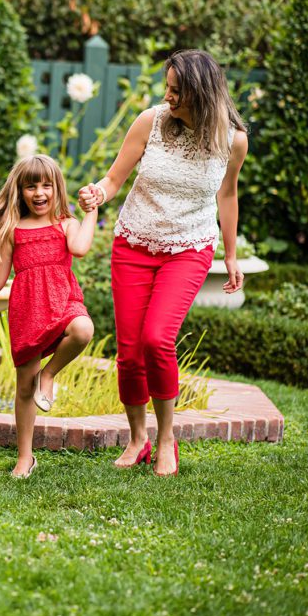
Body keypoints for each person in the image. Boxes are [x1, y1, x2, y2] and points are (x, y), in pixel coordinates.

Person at [78, 49, 248, 476]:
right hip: (134, 244)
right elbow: (114, 178)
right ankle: (138, 439)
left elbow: (227, 195)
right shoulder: (150, 121)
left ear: (202, 93)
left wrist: (230, 255)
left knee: (157, 339)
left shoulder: (233, 139)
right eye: (167, 87)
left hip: (189, 248)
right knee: (131, 351)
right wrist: (97, 193)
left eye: (177, 91)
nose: (167, 96)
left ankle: (167, 437)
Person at [0, 155, 98, 478]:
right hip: (29, 310)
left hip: (63, 299)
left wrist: (91, 212)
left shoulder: (67, 224)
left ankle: (50, 374)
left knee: (83, 329)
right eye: (31, 186)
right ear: (20, 191)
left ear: (57, 188)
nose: (39, 193)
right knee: (24, 388)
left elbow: (81, 248)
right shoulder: (13, 230)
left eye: (46, 185)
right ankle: (25, 457)